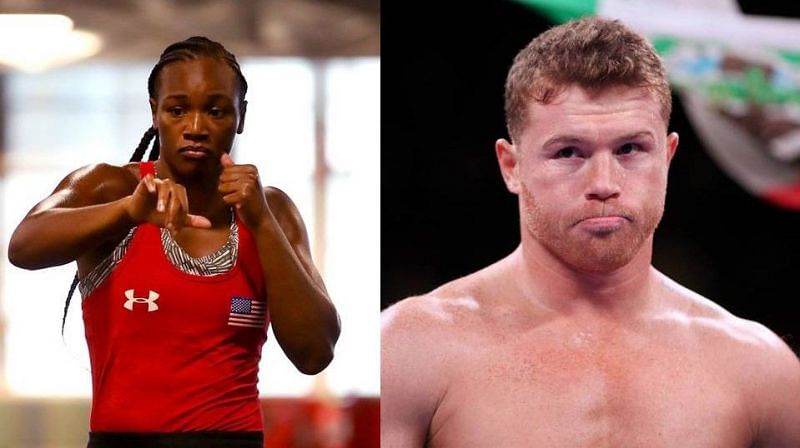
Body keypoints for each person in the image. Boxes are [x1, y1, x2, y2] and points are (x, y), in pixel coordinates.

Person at [381, 17, 800, 447]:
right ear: (512, 167)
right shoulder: (411, 351)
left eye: (630, 149)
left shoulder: (757, 369)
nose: (604, 183)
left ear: (668, 157)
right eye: (568, 152)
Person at [8, 36, 340, 448]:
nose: (196, 128)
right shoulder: (109, 186)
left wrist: (262, 222)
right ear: (154, 112)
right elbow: (22, 247)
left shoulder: (272, 211)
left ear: (240, 117)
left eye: (216, 111)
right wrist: (128, 212)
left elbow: (315, 353)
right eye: (178, 110)